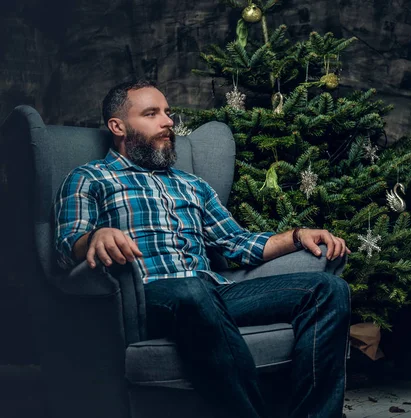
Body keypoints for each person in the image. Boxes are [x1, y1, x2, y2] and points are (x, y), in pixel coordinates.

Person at [54, 79, 352, 418]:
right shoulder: (90, 177)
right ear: (118, 126)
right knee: (190, 289)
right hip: (146, 296)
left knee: (329, 288)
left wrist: (297, 235)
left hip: (212, 294)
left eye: (168, 113)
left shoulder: (192, 185)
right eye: (152, 114)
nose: (168, 122)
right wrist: (94, 238)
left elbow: (235, 243)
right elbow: (66, 247)